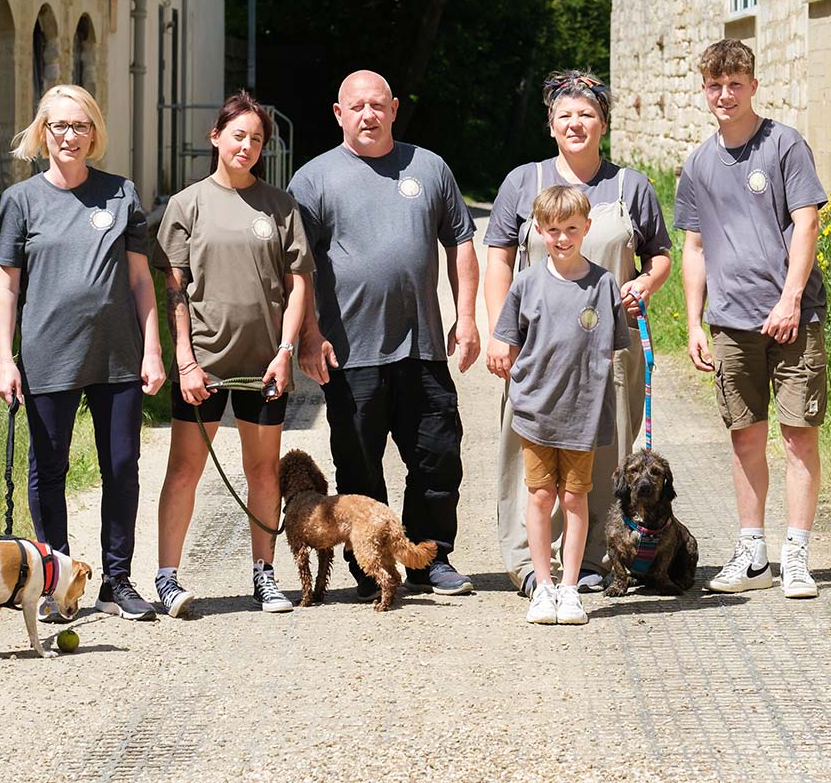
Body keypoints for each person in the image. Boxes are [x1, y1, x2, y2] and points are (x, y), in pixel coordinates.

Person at [288, 70, 480, 599]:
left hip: (422, 347)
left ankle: (431, 559)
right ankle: (371, 567)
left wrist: (466, 319)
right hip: (350, 354)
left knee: (438, 459)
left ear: (394, 108)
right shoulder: (313, 179)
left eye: (378, 105)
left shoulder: (429, 167)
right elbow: (297, 268)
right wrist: (308, 334)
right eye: (357, 107)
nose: (368, 115)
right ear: (338, 113)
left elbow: (461, 243)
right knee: (359, 468)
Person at [484, 70, 672, 598]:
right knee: (528, 451)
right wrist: (501, 333)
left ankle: (593, 560)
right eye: (565, 115)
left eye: (587, 114)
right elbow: (499, 256)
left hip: (610, 349)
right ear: (550, 124)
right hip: (537, 348)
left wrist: (645, 282)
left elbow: (660, 256)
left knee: (606, 450)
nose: (576, 123)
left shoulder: (631, 186)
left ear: (604, 123)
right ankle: (529, 564)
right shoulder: (524, 182)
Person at [0, 84, 166, 622]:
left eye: (80, 125)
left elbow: (140, 281)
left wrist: (152, 350)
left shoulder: (121, 193)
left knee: (122, 466)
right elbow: (6, 288)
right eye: (59, 126)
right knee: (49, 471)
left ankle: (116, 581)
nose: (70, 135)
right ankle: (56, 583)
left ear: (94, 133)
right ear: (43, 133)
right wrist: (4, 358)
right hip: (49, 356)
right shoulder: (21, 201)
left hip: (117, 357)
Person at [674, 39, 827, 599]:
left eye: (735, 84)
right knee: (745, 438)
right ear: (705, 90)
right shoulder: (697, 162)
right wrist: (694, 323)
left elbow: (806, 223)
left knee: (798, 437)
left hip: (793, 318)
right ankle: (752, 551)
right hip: (730, 322)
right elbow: (694, 247)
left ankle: (797, 555)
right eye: (715, 85)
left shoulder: (783, 144)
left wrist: (789, 299)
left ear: (753, 86)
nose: (725, 94)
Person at [151, 90, 312, 617]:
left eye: (257, 139)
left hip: (264, 366)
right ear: (216, 137)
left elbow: (298, 285)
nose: (247, 146)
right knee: (183, 471)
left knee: (263, 472)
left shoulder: (280, 206)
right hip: (204, 367)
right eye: (238, 135)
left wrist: (286, 351)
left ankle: (264, 575)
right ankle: (168, 577)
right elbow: (175, 290)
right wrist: (185, 361)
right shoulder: (186, 205)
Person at [492, 185, 630, 625]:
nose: (563, 238)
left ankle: (570, 587)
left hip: (583, 417)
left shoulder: (604, 284)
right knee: (539, 496)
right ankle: (543, 585)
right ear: (539, 231)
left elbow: (612, 349)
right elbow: (511, 345)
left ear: (587, 228)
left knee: (575, 499)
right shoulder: (526, 282)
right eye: (553, 230)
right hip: (535, 413)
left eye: (571, 229)